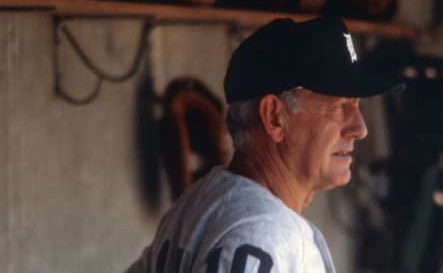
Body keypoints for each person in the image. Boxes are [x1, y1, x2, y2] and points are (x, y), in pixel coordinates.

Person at [126, 16, 403, 273]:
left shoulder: (201, 199)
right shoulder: (262, 234)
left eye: (357, 107)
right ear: (274, 117)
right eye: (338, 106)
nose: (360, 129)